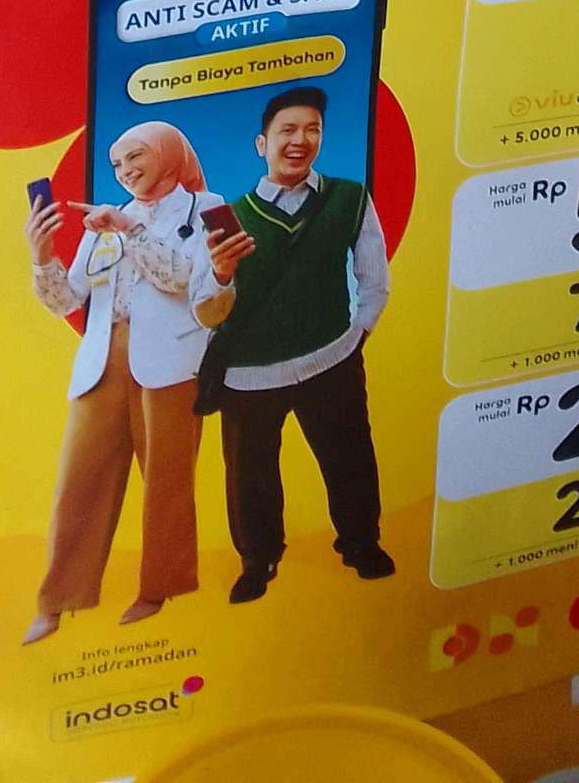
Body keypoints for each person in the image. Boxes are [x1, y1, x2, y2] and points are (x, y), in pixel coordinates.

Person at [190, 85, 393, 599]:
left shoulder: (349, 198)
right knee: (250, 476)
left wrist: (358, 334)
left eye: (312, 129)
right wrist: (221, 272)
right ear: (262, 144)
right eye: (287, 130)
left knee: (351, 459)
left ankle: (361, 543)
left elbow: (374, 277)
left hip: (332, 359)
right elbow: (206, 311)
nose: (300, 140)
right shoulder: (228, 219)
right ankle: (257, 562)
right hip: (249, 375)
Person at [22, 121, 216, 644]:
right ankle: (57, 599)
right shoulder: (105, 218)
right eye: (116, 163)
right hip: (103, 359)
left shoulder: (206, 208)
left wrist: (130, 230)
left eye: (135, 157)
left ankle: (160, 588)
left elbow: (183, 279)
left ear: (168, 154)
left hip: (171, 363)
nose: (125, 170)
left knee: (168, 481)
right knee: (77, 482)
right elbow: (68, 301)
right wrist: (43, 256)